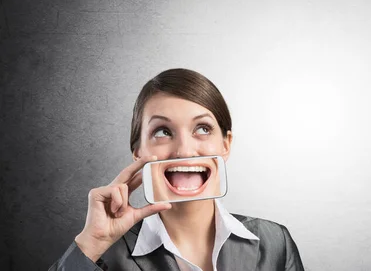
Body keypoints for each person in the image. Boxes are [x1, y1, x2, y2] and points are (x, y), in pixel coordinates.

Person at [49, 68, 305, 271]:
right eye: (163, 132)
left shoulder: (274, 242)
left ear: (225, 145)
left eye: (202, 129)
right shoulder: (102, 255)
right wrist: (91, 243)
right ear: (138, 151)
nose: (184, 150)